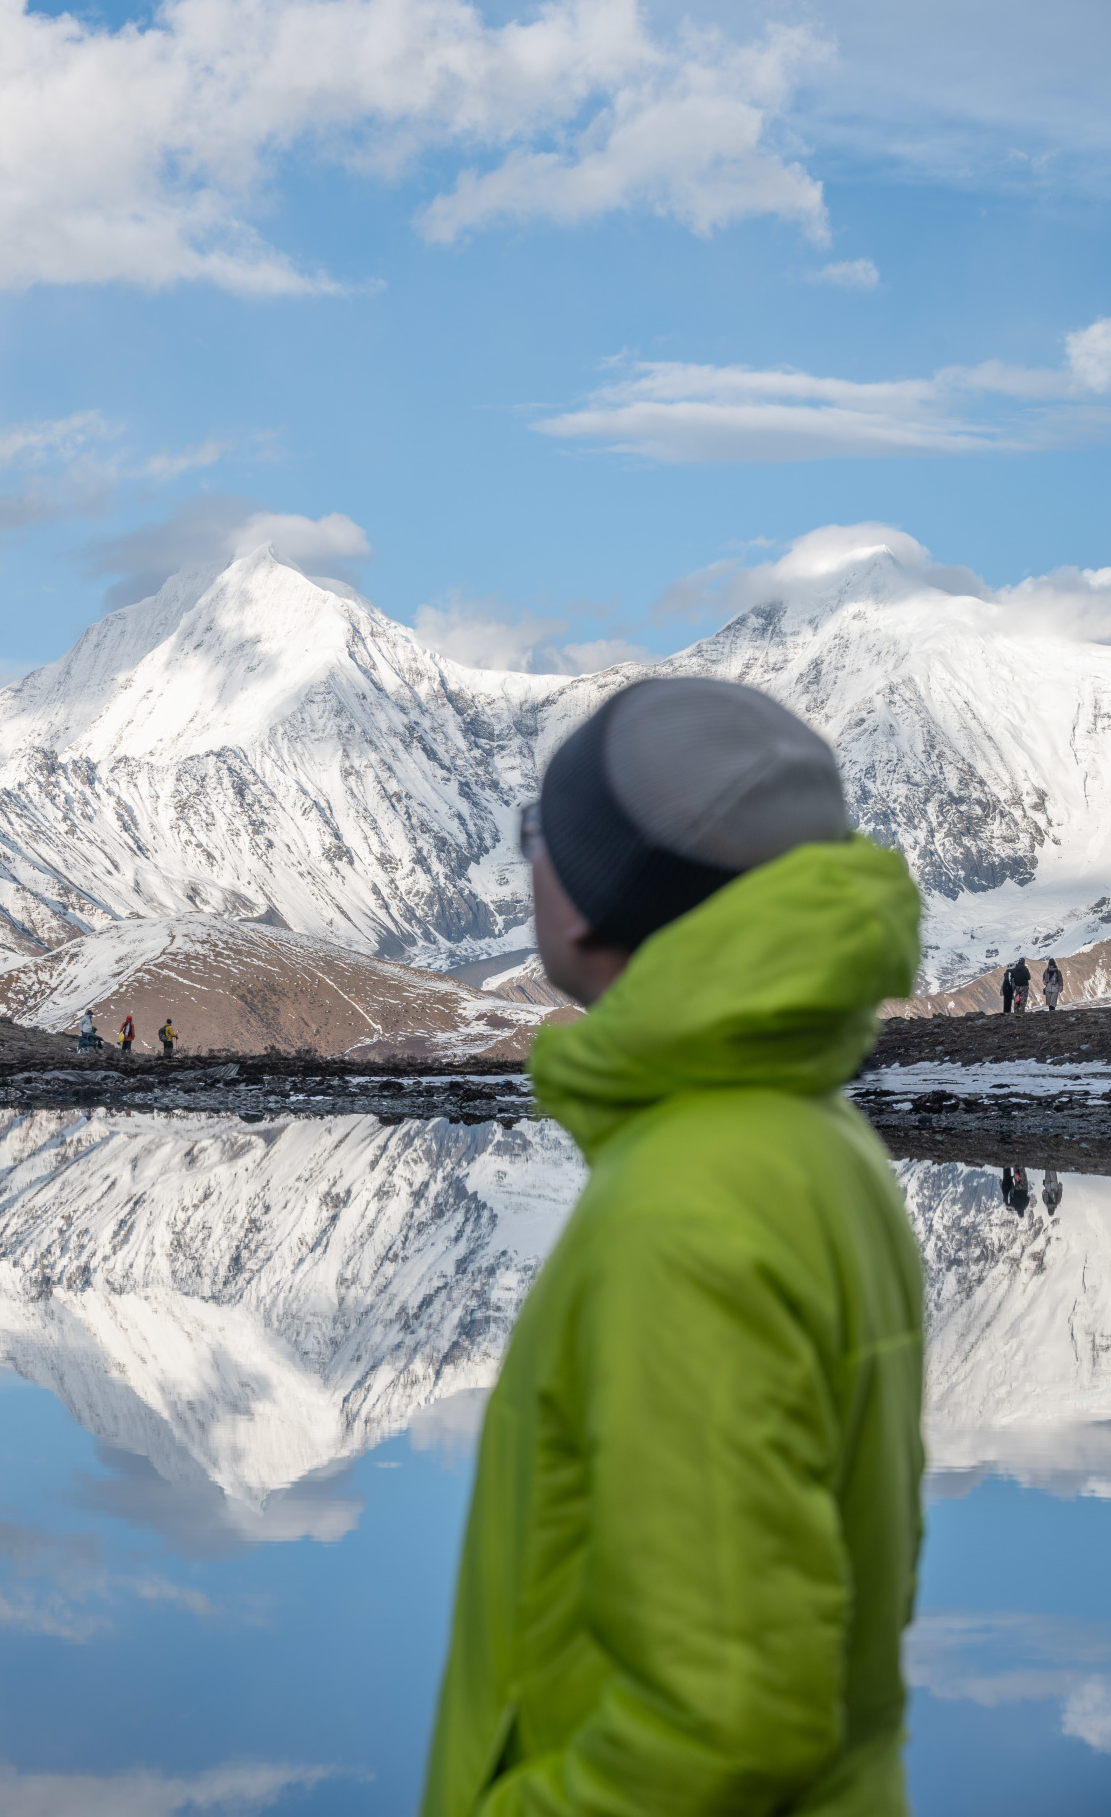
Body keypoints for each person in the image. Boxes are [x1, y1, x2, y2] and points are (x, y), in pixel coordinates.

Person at [421, 676, 924, 1817]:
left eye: (539, 834)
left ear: (594, 897)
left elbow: (726, 1723)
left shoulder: (687, 1211)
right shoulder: (811, 1139)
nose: (528, 864)